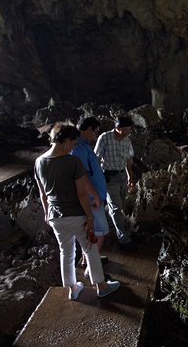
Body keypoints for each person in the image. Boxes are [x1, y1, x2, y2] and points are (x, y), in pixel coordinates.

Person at [34, 123, 120, 300]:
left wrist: (46, 214)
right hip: (76, 215)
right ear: (65, 140)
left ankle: (72, 288)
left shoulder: (39, 162)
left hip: (55, 216)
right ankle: (101, 286)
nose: (73, 147)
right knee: (90, 249)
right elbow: (82, 193)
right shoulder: (73, 162)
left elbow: (43, 194)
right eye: (73, 143)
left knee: (66, 251)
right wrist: (90, 217)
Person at [94, 116, 138, 252]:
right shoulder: (105, 138)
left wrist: (130, 175)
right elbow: (97, 158)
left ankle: (116, 229)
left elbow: (128, 159)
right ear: (117, 128)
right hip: (109, 177)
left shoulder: (126, 140)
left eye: (129, 130)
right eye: (125, 130)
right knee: (116, 208)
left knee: (120, 206)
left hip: (122, 176)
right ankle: (124, 239)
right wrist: (98, 178)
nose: (127, 132)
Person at [71, 116, 109, 254]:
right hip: (92, 199)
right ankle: (91, 265)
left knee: (91, 231)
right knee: (100, 231)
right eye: (95, 132)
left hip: (92, 198)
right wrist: (95, 196)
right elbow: (82, 177)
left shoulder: (82, 147)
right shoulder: (79, 149)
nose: (95, 136)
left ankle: (86, 260)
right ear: (88, 129)